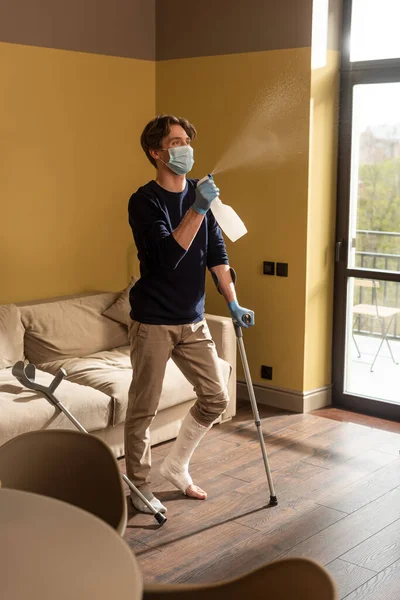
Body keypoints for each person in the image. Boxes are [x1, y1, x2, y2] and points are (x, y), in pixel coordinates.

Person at [125, 114, 254, 514]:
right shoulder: (144, 201)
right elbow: (166, 258)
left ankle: (176, 466)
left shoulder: (202, 193)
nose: (185, 149)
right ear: (156, 152)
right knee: (143, 411)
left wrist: (231, 299)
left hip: (192, 318)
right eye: (176, 142)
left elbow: (216, 252)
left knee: (215, 397)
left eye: (187, 141)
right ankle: (139, 487)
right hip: (153, 322)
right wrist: (197, 209)